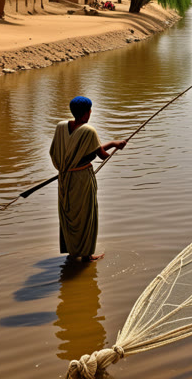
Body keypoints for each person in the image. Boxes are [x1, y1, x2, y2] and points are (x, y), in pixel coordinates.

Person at [50, 96, 126, 261]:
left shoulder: (61, 127)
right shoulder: (88, 131)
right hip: (82, 179)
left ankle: (72, 252)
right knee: (86, 215)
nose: (90, 113)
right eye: (90, 110)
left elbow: (57, 152)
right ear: (86, 114)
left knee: (69, 214)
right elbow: (101, 155)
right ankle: (87, 255)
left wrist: (113, 143)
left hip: (64, 178)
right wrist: (116, 146)